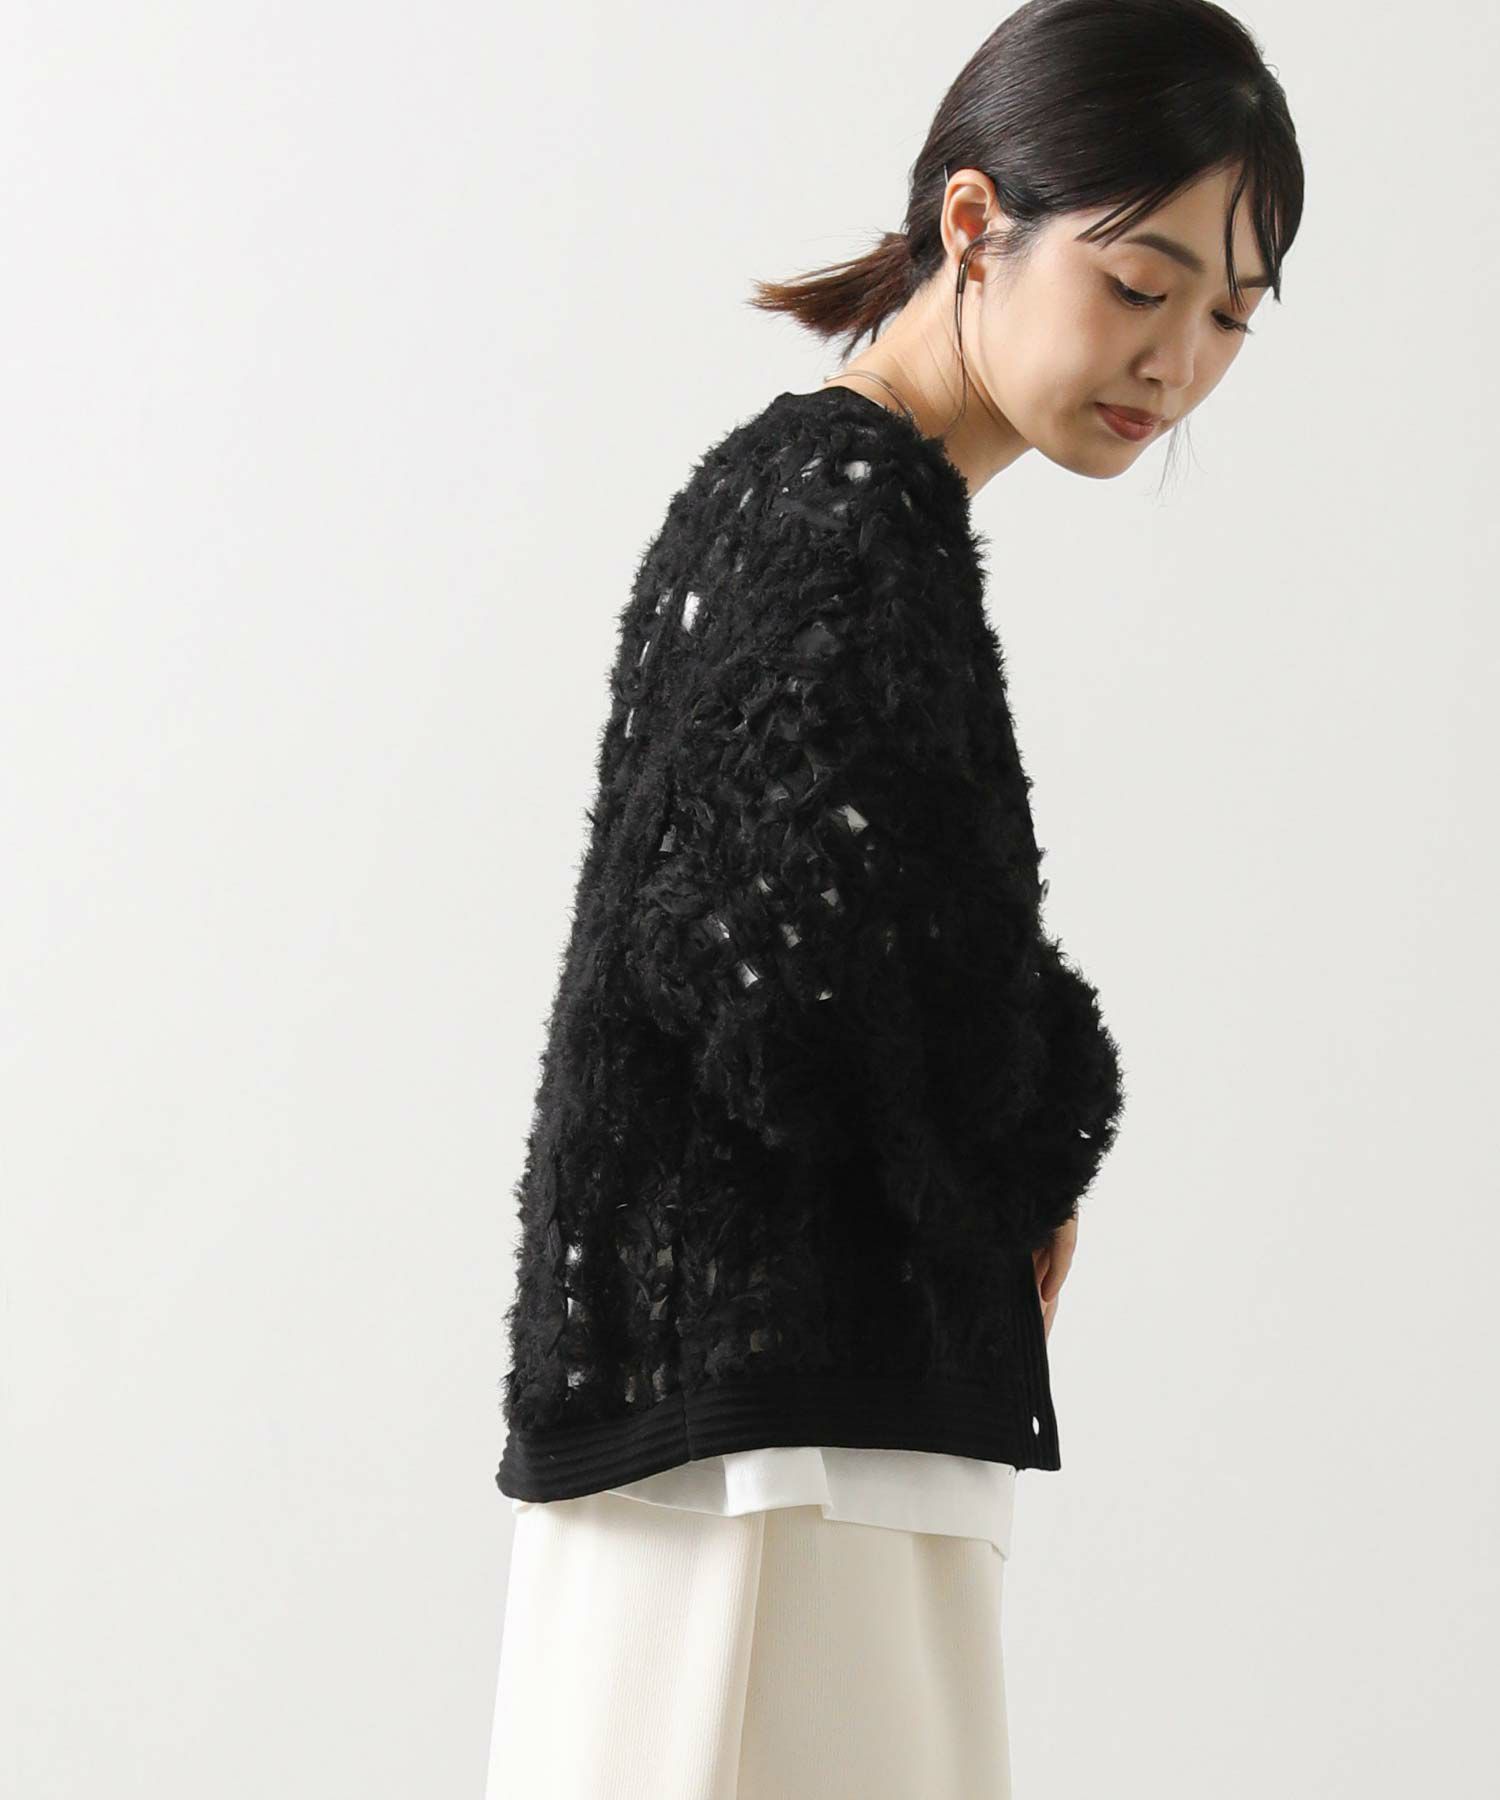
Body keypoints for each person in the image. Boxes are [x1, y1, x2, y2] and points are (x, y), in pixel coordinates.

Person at [486, 2, 1304, 1794]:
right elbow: (764, 964)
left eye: (1233, 315)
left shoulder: (808, 498)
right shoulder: (846, 520)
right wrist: (1016, 1142)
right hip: (779, 1452)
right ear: (973, 224)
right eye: (1141, 282)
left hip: (739, 1423)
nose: (1177, 360)